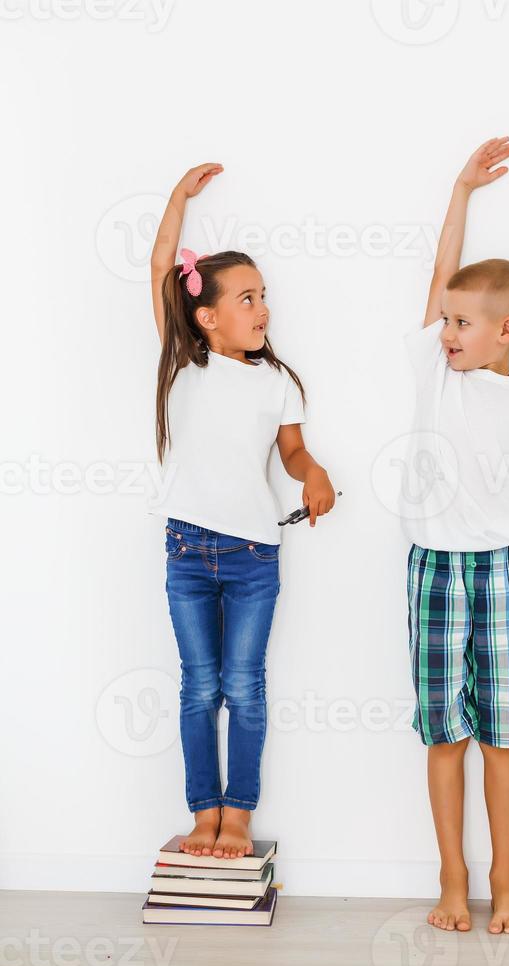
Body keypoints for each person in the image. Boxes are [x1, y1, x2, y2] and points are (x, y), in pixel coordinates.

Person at [400, 137, 509, 933]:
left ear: (505, 329)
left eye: (462, 323)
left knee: (502, 737)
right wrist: (460, 189)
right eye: (444, 321)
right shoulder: (436, 375)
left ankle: (506, 881)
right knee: (447, 734)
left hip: (504, 572)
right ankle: (452, 878)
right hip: (434, 569)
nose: (446, 331)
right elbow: (443, 277)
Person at [148, 163, 336, 860]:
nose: (262, 309)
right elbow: (162, 265)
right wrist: (177, 200)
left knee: (244, 688)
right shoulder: (183, 362)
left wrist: (313, 473)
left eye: (264, 297)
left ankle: (239, 813)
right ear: (207, 315)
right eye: (247, 298)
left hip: (254, 555)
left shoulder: (278, 382)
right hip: (187, 551)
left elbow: (292, 454)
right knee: (200, 687)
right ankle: (204, 811)